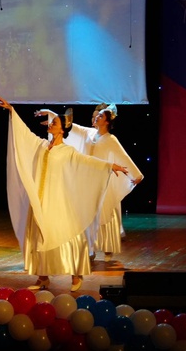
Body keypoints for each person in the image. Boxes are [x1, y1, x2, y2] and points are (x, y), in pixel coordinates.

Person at [0, 96, 128, 291]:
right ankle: (43, 277)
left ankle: (76, 274)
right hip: (41, 200)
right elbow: (24, 134)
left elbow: (87, 162)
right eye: (51, 122)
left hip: (58, 201)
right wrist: (12, 111)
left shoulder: (67, 151)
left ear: (62, 129)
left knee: (66, 235)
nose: (50, 124)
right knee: (39, 236)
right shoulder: (41, 146)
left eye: (54, 123)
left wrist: (110, 166)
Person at [51, 103, 144, 263]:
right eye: (97, 115)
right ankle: (89, 248)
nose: (96, 118)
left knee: (105, 214)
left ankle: (107, 247)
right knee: (87, 214)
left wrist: (136, 175)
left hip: (103, 181)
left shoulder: (110, 139)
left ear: (106, 122)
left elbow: (124, 157)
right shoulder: (90, 133)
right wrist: (51, 114)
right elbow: (74, 127)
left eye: (100, 116)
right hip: (87, 180)